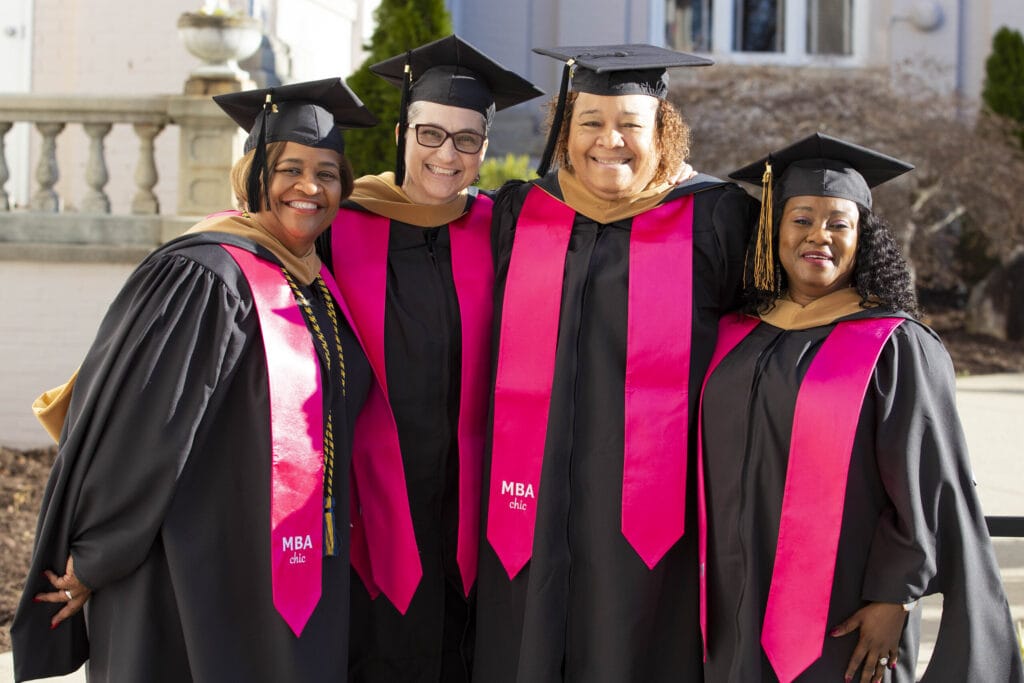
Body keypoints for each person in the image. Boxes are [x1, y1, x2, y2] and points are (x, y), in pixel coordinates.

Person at [11, 78, 379, 682]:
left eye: (328, 172)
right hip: (194, 571)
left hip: (288, 561)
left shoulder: (314, 281)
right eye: (289, 167)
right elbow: (142, 427)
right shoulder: (205, 275)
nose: (310, 186)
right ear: (250, 175)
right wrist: (96, 555)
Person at [473, 44, 758, 682]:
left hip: (658, 498)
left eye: (631, 123)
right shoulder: (523, 211)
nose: (610, 141)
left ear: (662, 130)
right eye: (590, 123)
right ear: (563, 132)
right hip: (534, 487)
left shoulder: (717, 216)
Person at [699, 132, 1024, 683]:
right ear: (773, 230)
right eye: (800, 219)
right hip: (732, 593)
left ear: (863, 239)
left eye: (838, 224)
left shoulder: (894, 345)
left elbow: (925, 483)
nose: (817, 236)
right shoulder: (735, 335)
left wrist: (893, 598)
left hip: (844, 604)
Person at [313, 35, 542, 683]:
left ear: (485, 149)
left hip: (476, 494)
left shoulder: (501, 229)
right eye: (431, 133)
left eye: (467, 139)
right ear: (400, 132)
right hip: (367, 491)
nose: (448, 154)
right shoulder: (340, 225)